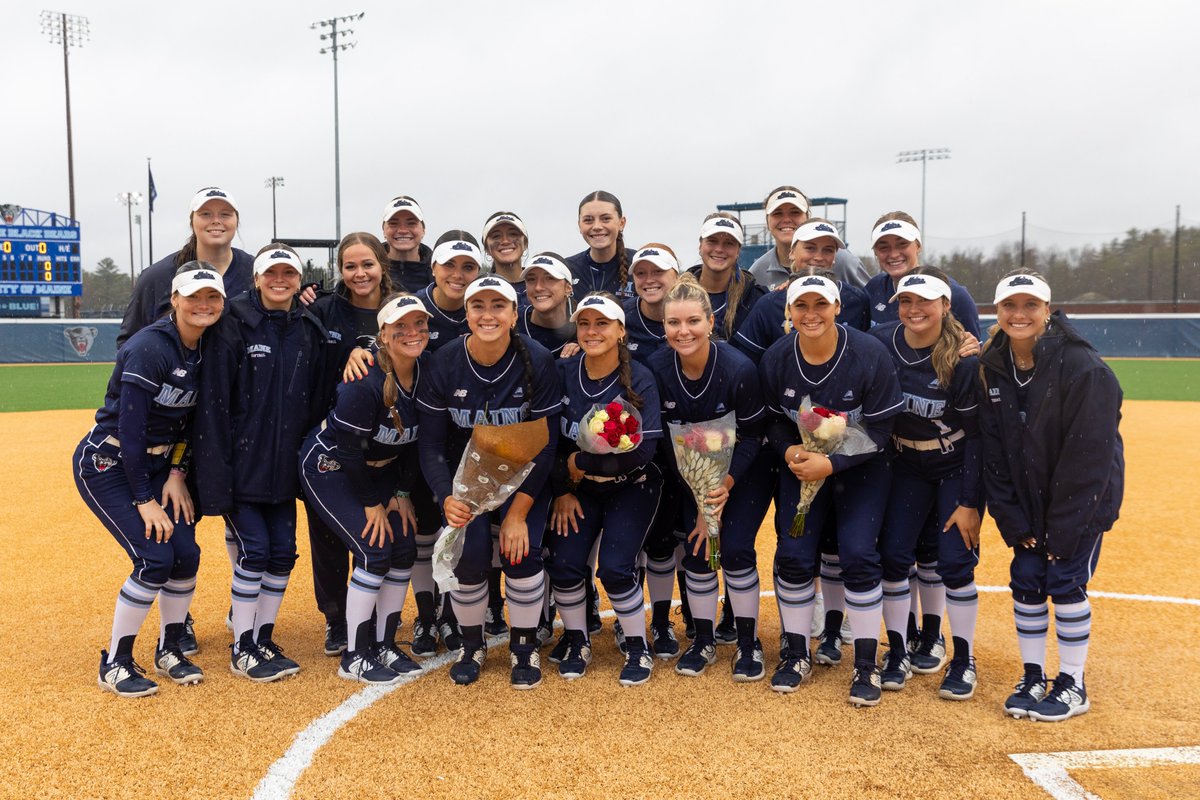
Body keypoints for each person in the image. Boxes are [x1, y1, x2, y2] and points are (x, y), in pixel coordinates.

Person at [74, 263, 225, 697]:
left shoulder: (206, 348)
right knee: (155, 559)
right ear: (174, 300)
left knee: (187, 555)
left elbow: (190, 426)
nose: (203, 305)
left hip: (160, 467)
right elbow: (133, 429)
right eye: (193, 297)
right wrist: (144, 498)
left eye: (211, 297)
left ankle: (170, 647)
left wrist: (177, 474)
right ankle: (116, 662)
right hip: (111, 461)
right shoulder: (150, 347)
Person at [979, 270, 1123, 722]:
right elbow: (993, 450)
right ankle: (1033, 674)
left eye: (1030, 306)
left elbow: (1089, 459)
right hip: (1028, 500)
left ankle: (1073, 682)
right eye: (1010, 306)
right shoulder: (993, 364)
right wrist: (1014, 523)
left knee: (1064, 581)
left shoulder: (1083, 366)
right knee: (1026, 579)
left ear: (1047, 310)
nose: (1019, 315)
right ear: (997, 312)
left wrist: (1062, 531)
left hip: (1081, 502)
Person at [758, 274, 903, 704]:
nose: (811, 314)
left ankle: (865, 665)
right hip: (802, 467)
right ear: (789, 311)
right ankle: (797, 654)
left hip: (862, 469)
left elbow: (880, 428)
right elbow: (774, 420)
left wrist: (834, 462)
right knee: (794, 556)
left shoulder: (867, 353)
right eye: (801, 305)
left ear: (837, 308)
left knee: (858, 554)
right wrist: (788, 453)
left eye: (821, 304)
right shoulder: (779, 357)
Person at [194, 245, 333, 682]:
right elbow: (213, 404)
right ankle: (243, 649)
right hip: (241, 467)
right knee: (254, 551)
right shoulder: (231, 324)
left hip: (283, 468)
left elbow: (313, 404)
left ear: (298, 278)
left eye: (288, 273)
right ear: (256, 279)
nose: (280, 279)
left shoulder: (308, 328)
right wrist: (215, 474)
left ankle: (261, 636)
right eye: (270, 272)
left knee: (283, 553)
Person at [417, 276, 563, 688]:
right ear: (466, 314)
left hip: (523, 479)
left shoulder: (536, 359)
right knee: (470, 555)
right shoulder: (444, 361)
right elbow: (430, 445)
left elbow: (546, 445)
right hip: (467, 485)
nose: (488, 314)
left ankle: (523, 645)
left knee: (521, 554)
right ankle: (471, 644)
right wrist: (446, 497)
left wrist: (518, 513)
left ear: (515, 314)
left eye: (498, 305)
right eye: (478, 305)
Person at [864, 211, 982, 660]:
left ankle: (957, 653)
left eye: (926, 301)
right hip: (905, 464)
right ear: (896, 304)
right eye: (907, 301)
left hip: (953, 464)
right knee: (894, 555)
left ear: (947, 305)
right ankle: (898, 648)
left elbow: (977, 437)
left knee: (952, 560)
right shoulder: (879, 343)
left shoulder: (963, 358)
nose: (915, 309)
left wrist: (971, 501)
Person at [299, 293, 434, 684]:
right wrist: (373, 503)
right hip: (331, 466)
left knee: (405, 544)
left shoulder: (425, 374)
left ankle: (384, 643)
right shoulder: (365, 381)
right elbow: (350, 452)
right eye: (401, 327)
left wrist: (402, 494)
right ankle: (355, 655)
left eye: (419, 325)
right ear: (383, 335)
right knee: (373, 549)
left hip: (379, 472)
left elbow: (413, 445)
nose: (412, 333)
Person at [649, 274, 771, 682]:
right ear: (663, 326)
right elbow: (668, 442)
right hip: (693, 474)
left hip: (743, 470)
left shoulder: (738, 368)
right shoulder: (658, 368)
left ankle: (748, 644)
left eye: (693, 321)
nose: (683, 331)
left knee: (734, 549)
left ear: (710, 321)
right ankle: (703, 640)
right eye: (673, 323)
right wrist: (701, 497)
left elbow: (754, 436)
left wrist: (725, 486)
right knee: (699, 551)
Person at [548, 293, 664, 685]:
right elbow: (548, 440)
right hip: (577, 490)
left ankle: (637, 645)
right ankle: (578, 638)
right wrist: (563, 488)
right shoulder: (562, 371)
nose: (592, 331)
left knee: (615, 568)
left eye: (602, 323)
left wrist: (580, 463)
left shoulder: (641, 376)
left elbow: (643, 452)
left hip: (632, 485)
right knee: (564, 564)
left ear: (620, 331)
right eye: (584, 323)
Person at [305, 233, 396, 656]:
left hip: (383, 442)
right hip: (332, 436)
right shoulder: (324, 310)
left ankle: (373, 614)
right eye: (350, 266)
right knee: (326, 535)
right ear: (340, 271)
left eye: (367, 264)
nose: (360, 274)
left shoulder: (400, 309)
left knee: (377, 532)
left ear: (382, 265)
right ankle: (335, 619)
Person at [118, 187, 253, 349]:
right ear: (192, 221)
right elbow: (129, 343)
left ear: (236, 221)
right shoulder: (157, 276)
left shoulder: (258, 274)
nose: (216, 220)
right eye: (205, 214)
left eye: (225, 214)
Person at [733, 219, 871, 364]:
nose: (818, 257)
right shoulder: (770, 304)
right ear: (792, 252)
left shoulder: (857, 300)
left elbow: (865, 356)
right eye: (810, 248)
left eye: (828, 250)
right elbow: (747, 364)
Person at [864, 212, 980, 338]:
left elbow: (972, 349)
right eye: (883, 247)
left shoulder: (954, 294)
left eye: (902, 244)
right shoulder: (873, 288)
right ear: (875, 252)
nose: (894, 254)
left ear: (918, 246)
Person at [747, 186, 871, 290]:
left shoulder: (844, 261)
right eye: (777, 213)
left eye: (795, 212)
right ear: (767, 221)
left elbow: (872, 305)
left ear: (807, 217)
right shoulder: (757, 272)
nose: (786, 220)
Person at [687, 213, 765, 342]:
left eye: (729, 243)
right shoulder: (678, 294)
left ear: (738, 250)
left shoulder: (755, 297)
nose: (719, 249)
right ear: (700, 246)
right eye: (712, 241)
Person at [415, 230, 484, 353]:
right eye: (449, 264)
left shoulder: (487, 310)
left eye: (468, 267)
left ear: (478, 272)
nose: (457, 275)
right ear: (433, 267)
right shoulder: (413, 307)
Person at [565, 190, 637, 300]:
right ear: (579, 225)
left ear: (621, 223)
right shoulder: (567, 269)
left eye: (606, 219)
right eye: (588, 220)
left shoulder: (640, 265)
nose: (597, 226)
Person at [622, 244, 680, 363]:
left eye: (658, 271)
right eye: (641, 273)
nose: (649, 280)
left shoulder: (695, 314)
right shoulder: (620, 316)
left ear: (677, 276)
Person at [519, 252, 578, 358]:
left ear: (568, 288)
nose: (538, 287)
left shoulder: (584, 327)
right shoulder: (512, 324)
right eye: (531, 279)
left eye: (549, 278)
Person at [381, 196, 433, 293]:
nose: (403, 230)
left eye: (411, 223)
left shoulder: (438, 272)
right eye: (393, 223)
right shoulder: (369, 271)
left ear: (423, 230)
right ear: (384, 230)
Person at [482, 211, 531, 302]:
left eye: (513, 234)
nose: (505, 241)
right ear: (487, 249)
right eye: (496, 236)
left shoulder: (540, 287)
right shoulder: (480, 290)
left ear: (525, 243)